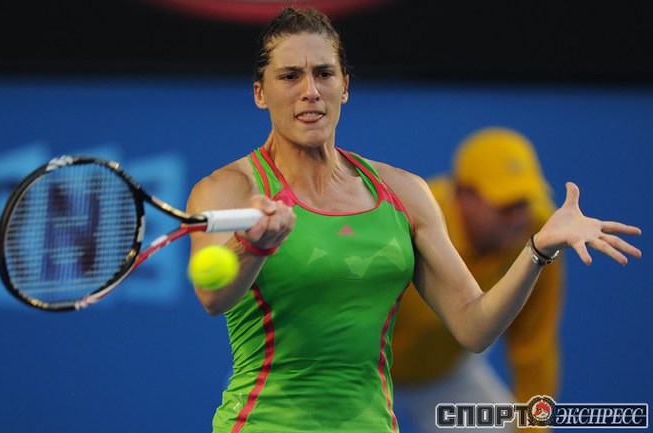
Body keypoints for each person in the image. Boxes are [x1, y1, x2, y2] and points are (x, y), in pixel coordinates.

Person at [186, 8, 641, 433]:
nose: (310, 90)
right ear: (260, 93)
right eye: (290, 76)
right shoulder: (228, 189)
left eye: (324, 73)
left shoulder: (404, 193)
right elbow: (212, 296)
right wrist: (254, 244)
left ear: (345, 86)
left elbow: (474, 327)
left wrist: (537, 250)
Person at [392, 127, 564, 433]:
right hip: (358, 371)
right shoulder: (408, 221)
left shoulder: (540, 239)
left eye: (524, 203)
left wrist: (533, 429)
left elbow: (533, 348)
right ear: (462, 194)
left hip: (444, 376)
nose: (517, 218)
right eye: (505, 206)